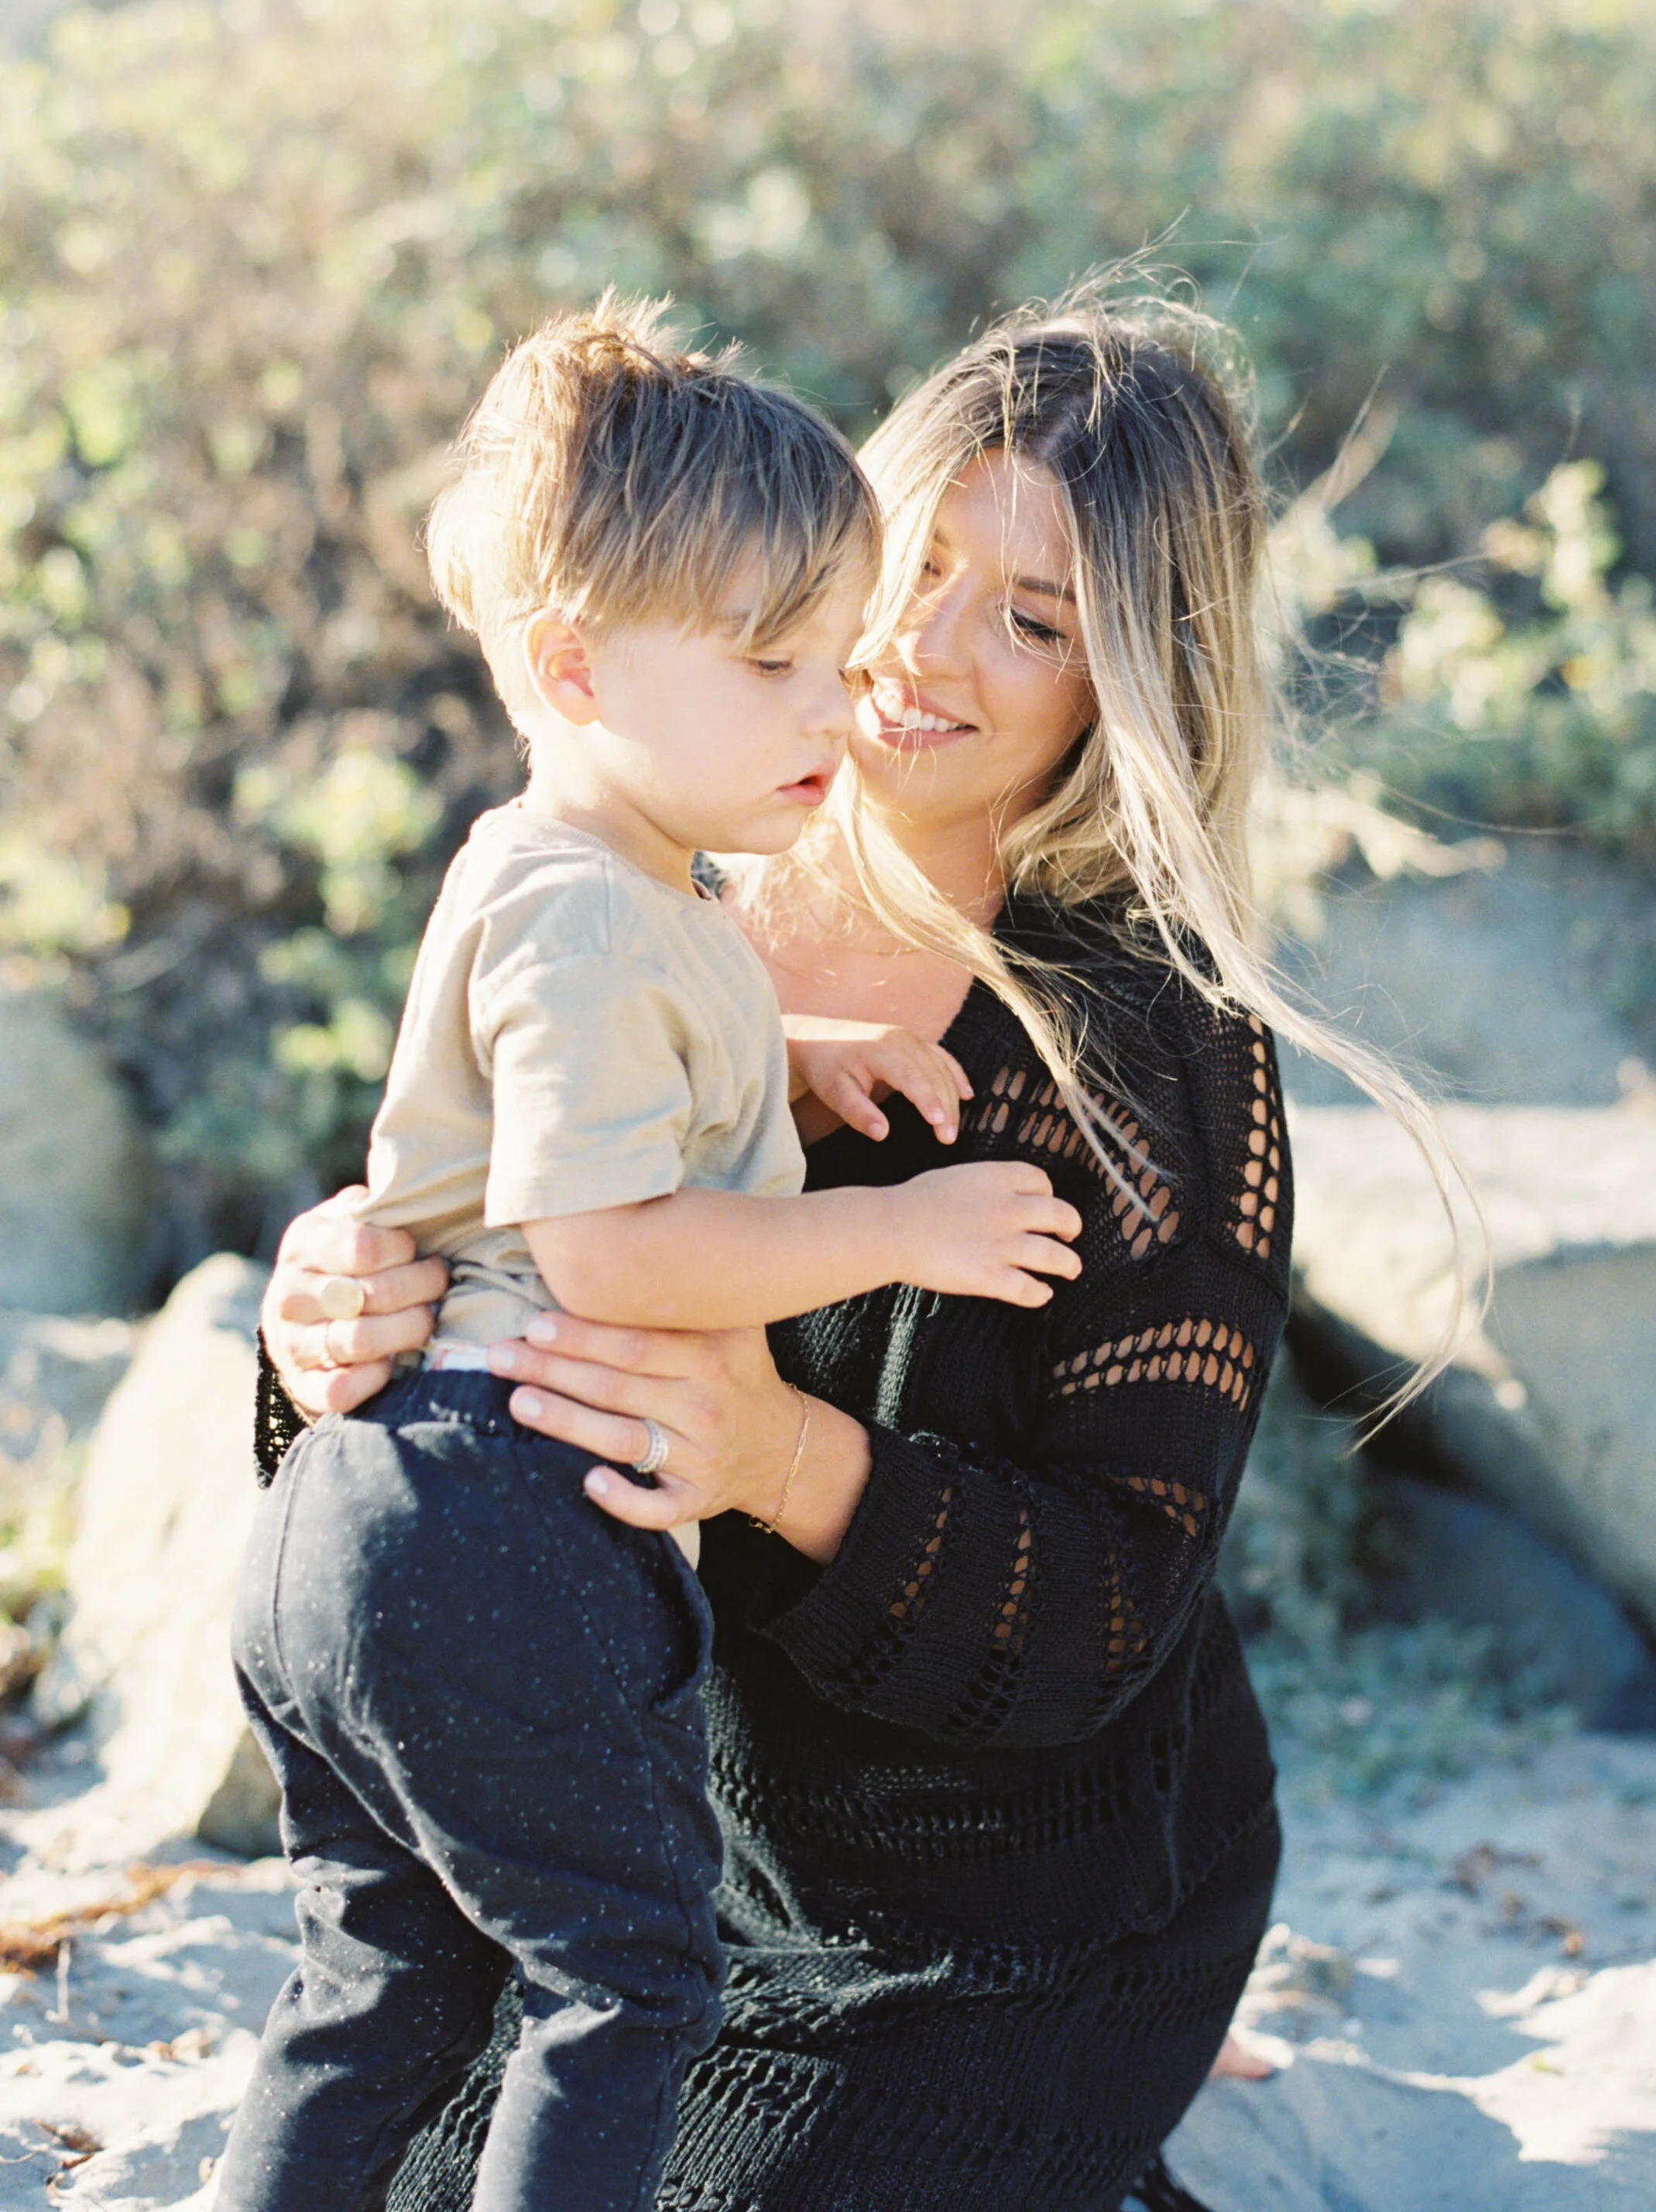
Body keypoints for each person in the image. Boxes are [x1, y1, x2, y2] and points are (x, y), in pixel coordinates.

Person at [258, 297, 1414, 2212]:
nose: (917, 649)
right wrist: (324, 1319)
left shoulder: (1153, 1059)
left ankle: (1121, 2069)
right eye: (919, 557)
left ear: (1132, 683)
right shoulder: (648, 880)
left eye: (1033, 620)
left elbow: (1115, 1610)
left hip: (991, 1911)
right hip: (625, 1834)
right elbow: (440, 1404)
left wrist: (778, 1461)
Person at [220, 299, 1083, 2212]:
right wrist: (893, 1227)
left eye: (832, 660)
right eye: (774, 666)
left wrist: (788, 1053)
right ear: (569, 664)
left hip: (353, 1534)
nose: (828, 710)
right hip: (498, 1526)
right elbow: (604, 1251)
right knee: (622, 1983)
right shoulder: (607, 919)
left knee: (377, 1985)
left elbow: (593, 1085)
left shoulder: (589, 880)